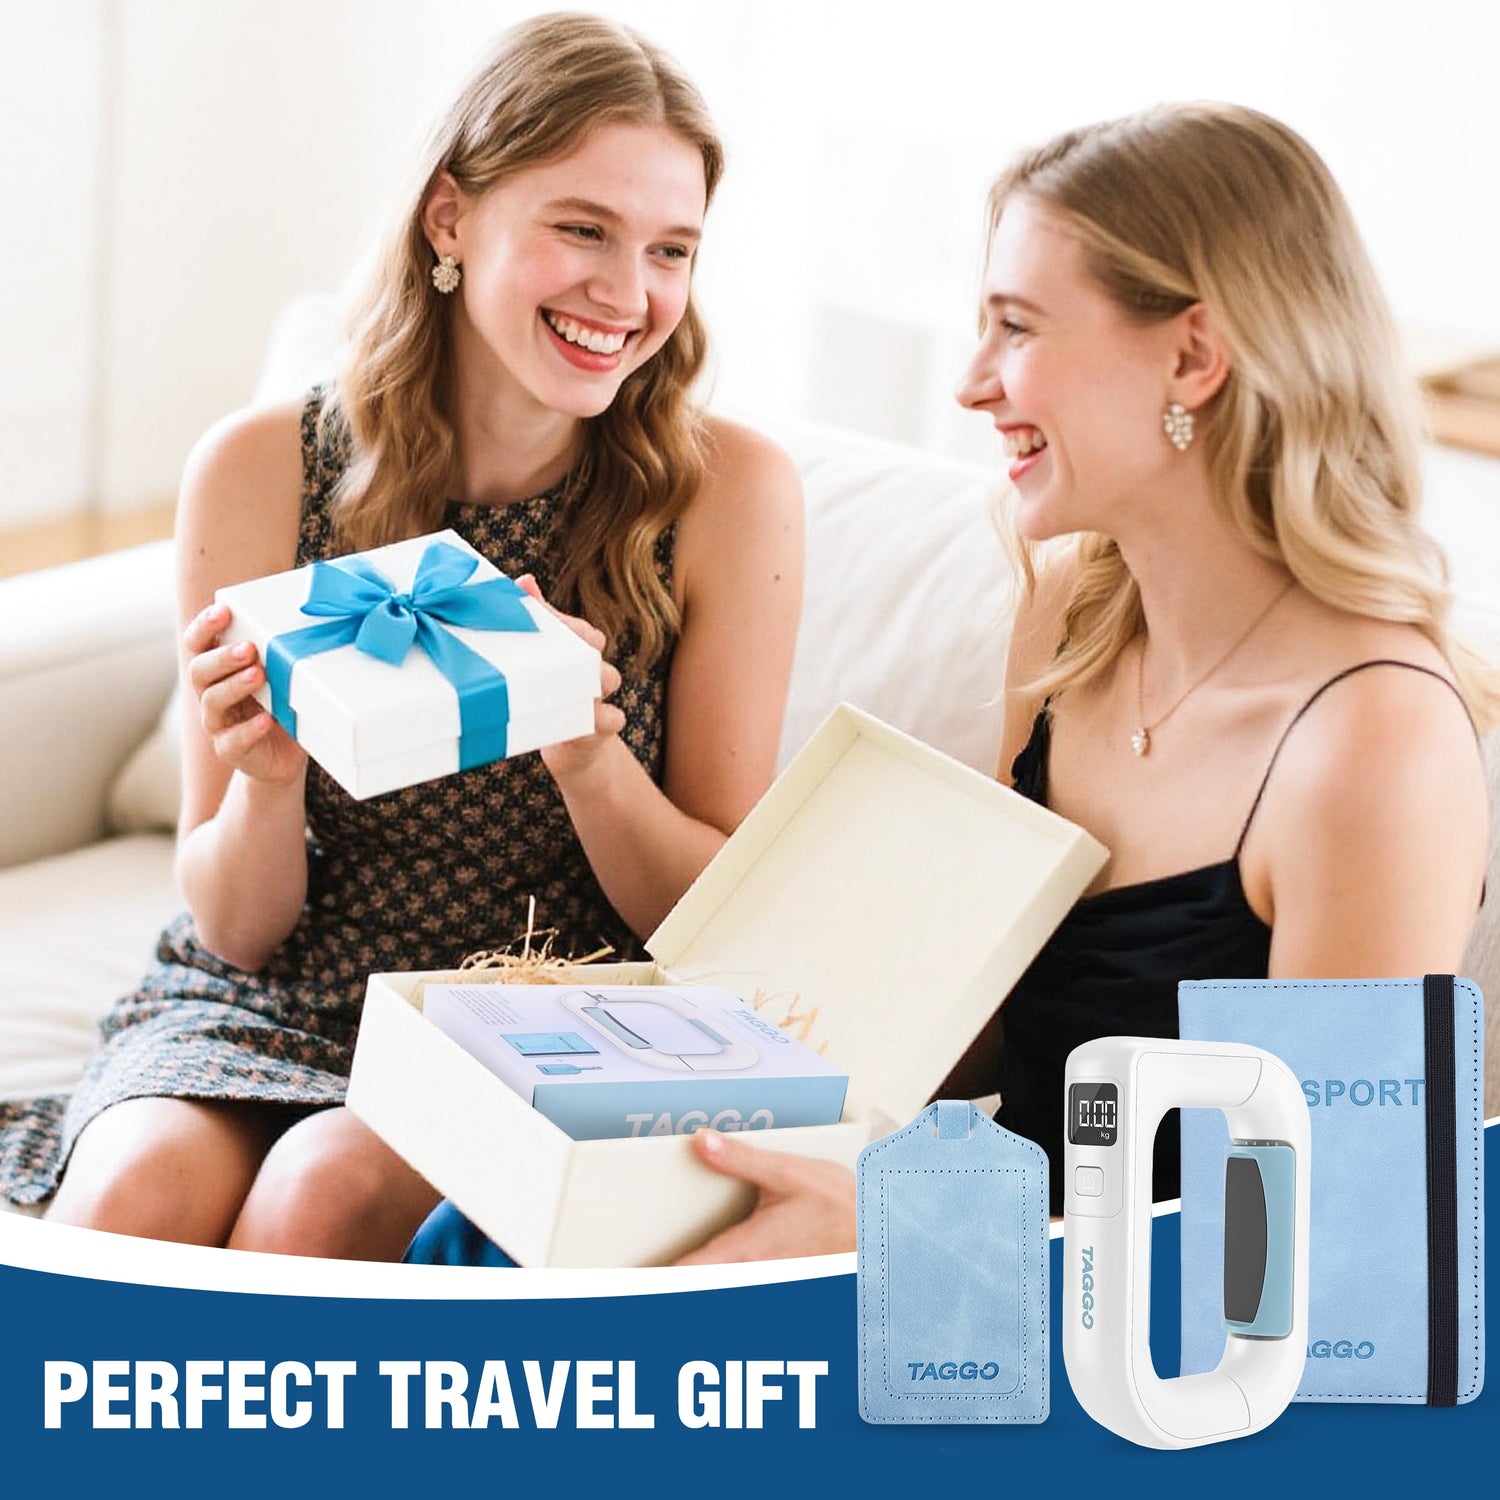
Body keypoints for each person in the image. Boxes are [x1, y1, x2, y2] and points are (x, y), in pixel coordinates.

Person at [0, 13, 803, 1259]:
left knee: (312, 1202)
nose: (628, 294)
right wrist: (267, 783)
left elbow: (716, 926)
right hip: (276, 985)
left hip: (538, 1010)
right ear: (450, 218)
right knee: (130, 1202)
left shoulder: (722, 492)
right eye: (581, 228)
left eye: (670, 250)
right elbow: (233, 926)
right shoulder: (266, 466)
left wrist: (587, 752)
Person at [674, 102, 1493, 1255]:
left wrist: (899, 1219)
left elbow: (1328, 1249)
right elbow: (986, 1035)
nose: (972, 384)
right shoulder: (1078, 618)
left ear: (1194, 356)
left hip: (1146, 1362)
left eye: (1015, 327)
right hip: (975, 1262)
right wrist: (717, 1091)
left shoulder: (1373, 746)